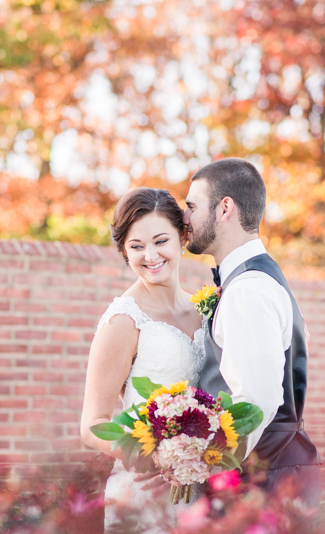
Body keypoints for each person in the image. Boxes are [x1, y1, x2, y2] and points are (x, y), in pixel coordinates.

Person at [183, 158, 322, 512]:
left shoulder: (248, 290)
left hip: (260, 483)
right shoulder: (259, 279)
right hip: (274, 474)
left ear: (224, 207)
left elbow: (256, 402)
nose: (185, 218)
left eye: (192, 206)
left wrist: (198, 469)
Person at [80, 188, 205, 533]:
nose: (150, 256)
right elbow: (92, 425)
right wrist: (155, 458)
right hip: (145, 493)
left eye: (160, 241)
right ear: (124, 250)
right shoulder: (123, 321)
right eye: (136, 246)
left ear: (182, 237)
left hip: (198, 489)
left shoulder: (204, 309)